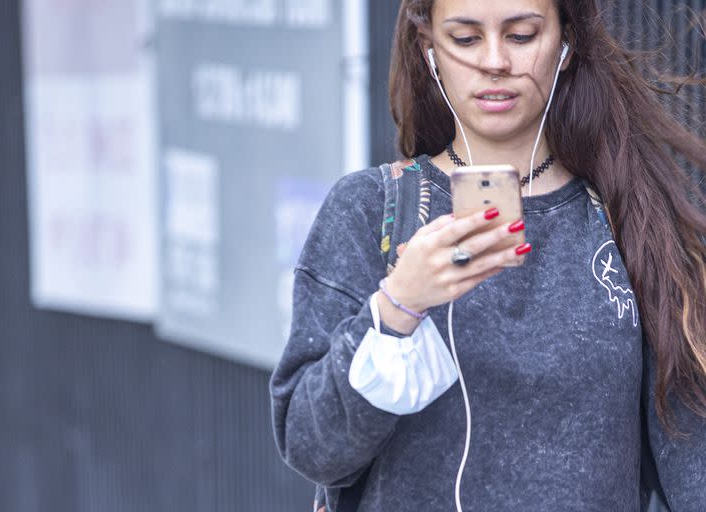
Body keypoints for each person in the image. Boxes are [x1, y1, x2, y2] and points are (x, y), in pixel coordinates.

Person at [270, 0, 706, 510]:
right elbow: (310, 448)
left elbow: (690, 454)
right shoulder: (371, 210)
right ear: (429, 47)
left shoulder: (627, 216)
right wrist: (397, 308)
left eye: (521, 35)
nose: (495, 61)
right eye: (467, 38)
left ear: (565, 45)